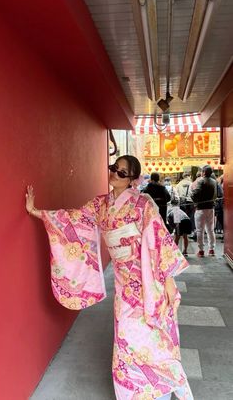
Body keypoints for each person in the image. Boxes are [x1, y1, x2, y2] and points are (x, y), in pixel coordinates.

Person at [26, 155, 193, 400]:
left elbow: (159, 241)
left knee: (152, 332)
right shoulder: (99, 204)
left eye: (122, 172)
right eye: (114, 168)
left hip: (147, 278)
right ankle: (135, 391)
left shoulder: (142, 205)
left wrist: (168, 280)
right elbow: (71, 220)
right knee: (126, 335)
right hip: (123, 283)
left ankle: (160, 389)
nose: (115, 173)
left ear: (133, 180)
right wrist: (35, 211)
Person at [190, 165, 217, 257]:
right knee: (210, 230)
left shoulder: (201, 181)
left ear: (204, 172)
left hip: (200, 208)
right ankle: (211, 249)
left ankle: (201, 250)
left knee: (200, 230)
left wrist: (194, 199)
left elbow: (195, 193)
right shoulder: (214, 181)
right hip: (211, 208)